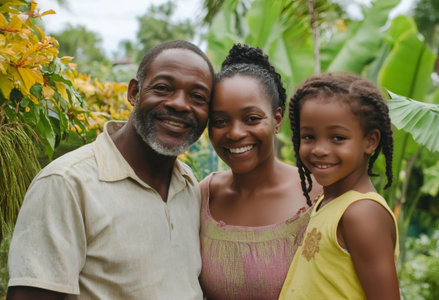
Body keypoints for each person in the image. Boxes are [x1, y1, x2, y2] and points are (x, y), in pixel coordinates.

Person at [7, 40, 215, 300]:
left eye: (198, 97)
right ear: (134, 92)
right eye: (163, 88)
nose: (180, 104)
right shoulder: (66, 183)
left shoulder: (188, 185)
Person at [199, 44, 322, 300]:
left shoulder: (319, 195)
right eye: (220, 121)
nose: (235, 133)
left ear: (277, 120)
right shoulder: (203, 196)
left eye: (252, 118)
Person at [279, 72, 400, 299]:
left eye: (337, 138)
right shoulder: (328, 202)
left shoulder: (361, 213)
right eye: (309, 137)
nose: (319, 149)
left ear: (370, 141)